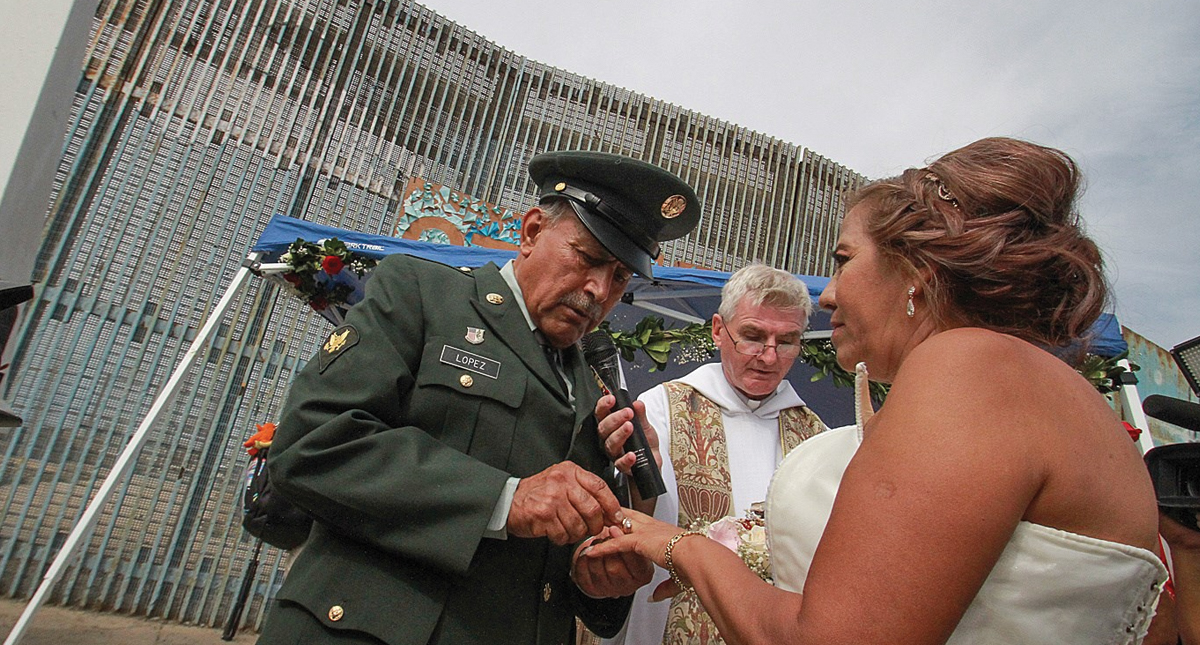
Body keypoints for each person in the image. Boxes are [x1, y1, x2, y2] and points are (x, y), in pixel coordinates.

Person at [584, 137, 1170, 643]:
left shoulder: (968, 367)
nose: (830, 294)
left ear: (916, 270)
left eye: (843, 260)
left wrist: (679, 546)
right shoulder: (1053, 393)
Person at [258, 150, 701, 645]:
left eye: (620, 277)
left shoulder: (593, 385)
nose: (599, 289)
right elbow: (314, 444)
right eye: (589, 257)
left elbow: (568, 577)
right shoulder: (421, 294)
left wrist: (597, 572)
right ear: (532, 231)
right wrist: (504, 499)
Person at [599, 263, 827, 645]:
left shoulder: (816, 439)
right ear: (719, 330)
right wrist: (641, 478)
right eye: (753, 336)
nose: (769, 358)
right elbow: (628, 520)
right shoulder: (661, 408)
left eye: (786, 341)